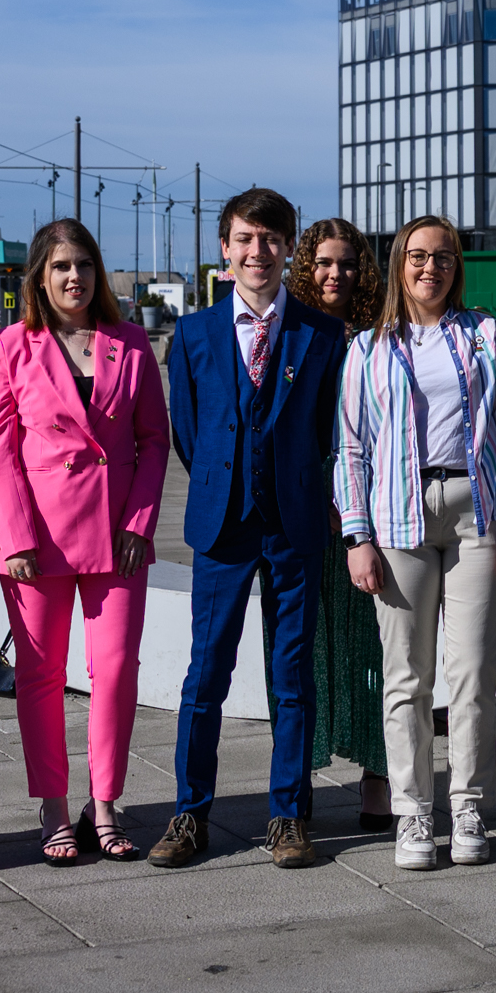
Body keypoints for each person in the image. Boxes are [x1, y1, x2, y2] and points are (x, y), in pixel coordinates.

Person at [150, 188, 349, 871]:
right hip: (223, 525)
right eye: (244, 239)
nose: (257, 251)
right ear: (224, 250)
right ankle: (189, 812)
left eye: (270, 239)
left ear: (288, 247)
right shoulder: (196, 334)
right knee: (206, 673)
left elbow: (330, 429)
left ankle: (289, 815)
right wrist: (224, 480)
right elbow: (188, 433)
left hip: (294, 524)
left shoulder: (322, 337)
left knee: (292, 675)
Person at [338, 213, 496, 870]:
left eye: (444, 257)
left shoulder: (485, 336)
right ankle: (414, 814)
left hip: (475, 512)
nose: (431, 268)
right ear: (400, 265)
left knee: (474, 673)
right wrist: (356, 533)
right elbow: (352, 448)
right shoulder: (368, 349)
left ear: (458, 266)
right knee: (406, 679)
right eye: (419, 257)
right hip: (397, 519)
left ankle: (470, 804)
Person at [0, 219, 169, 865]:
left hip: (119, 537)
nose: (74, 277)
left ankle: (105, 802)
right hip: (35, 537)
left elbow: (154, 441)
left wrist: (140, 524)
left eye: (84, 265)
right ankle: (53, 805)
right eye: (60, 266)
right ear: (40, 275)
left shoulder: (131, 342)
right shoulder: (11, 346)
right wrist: (13, 535)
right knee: (40, 675)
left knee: (115, 670)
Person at [289, 221, 392, 831]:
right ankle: (295, 775)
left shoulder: (381, 334)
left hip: (372, 507)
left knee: (376, 649)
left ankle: (377, 776)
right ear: (308, 267)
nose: (337, 274)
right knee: (303, 649)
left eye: (349, 263)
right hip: (304, 509)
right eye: (325, 263)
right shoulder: (292, 331)